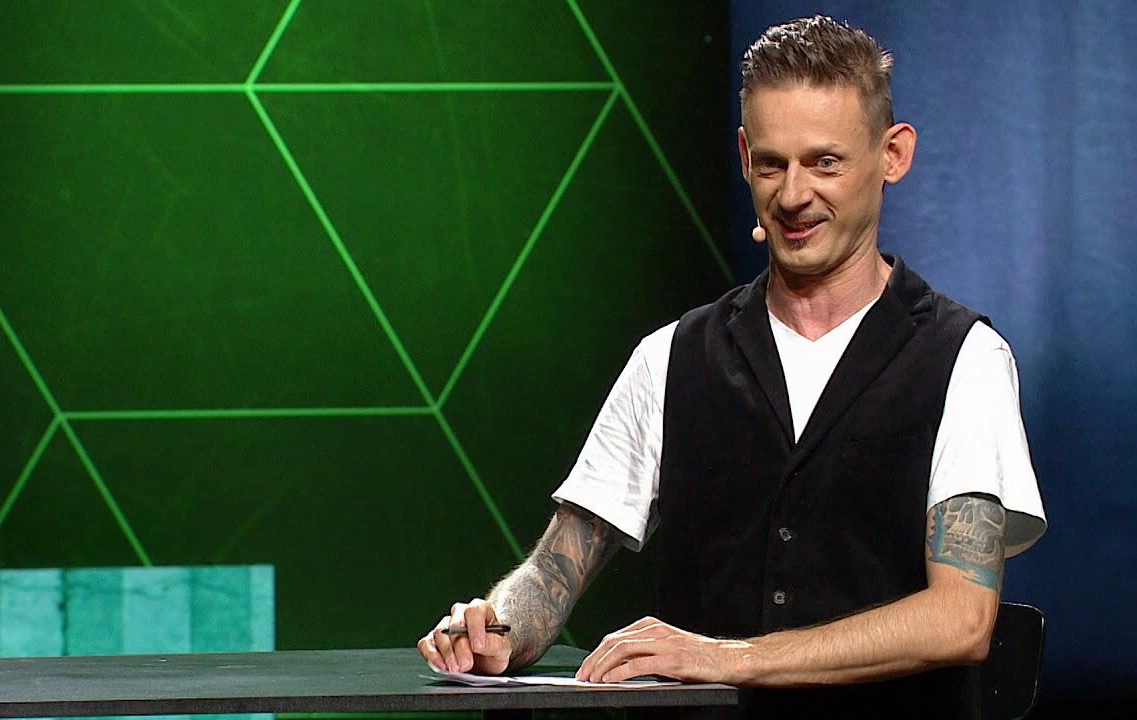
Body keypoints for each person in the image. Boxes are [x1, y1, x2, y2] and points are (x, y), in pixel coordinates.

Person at [419, 15, 1046, 718]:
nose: (794, 195)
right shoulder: (670, 358)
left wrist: (731, 659)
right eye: (772, 164)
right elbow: (554, 573)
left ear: (892, 155)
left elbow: (961, 619)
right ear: (745, 156)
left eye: (825, 163)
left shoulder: (965, 359)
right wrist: (498, 630)